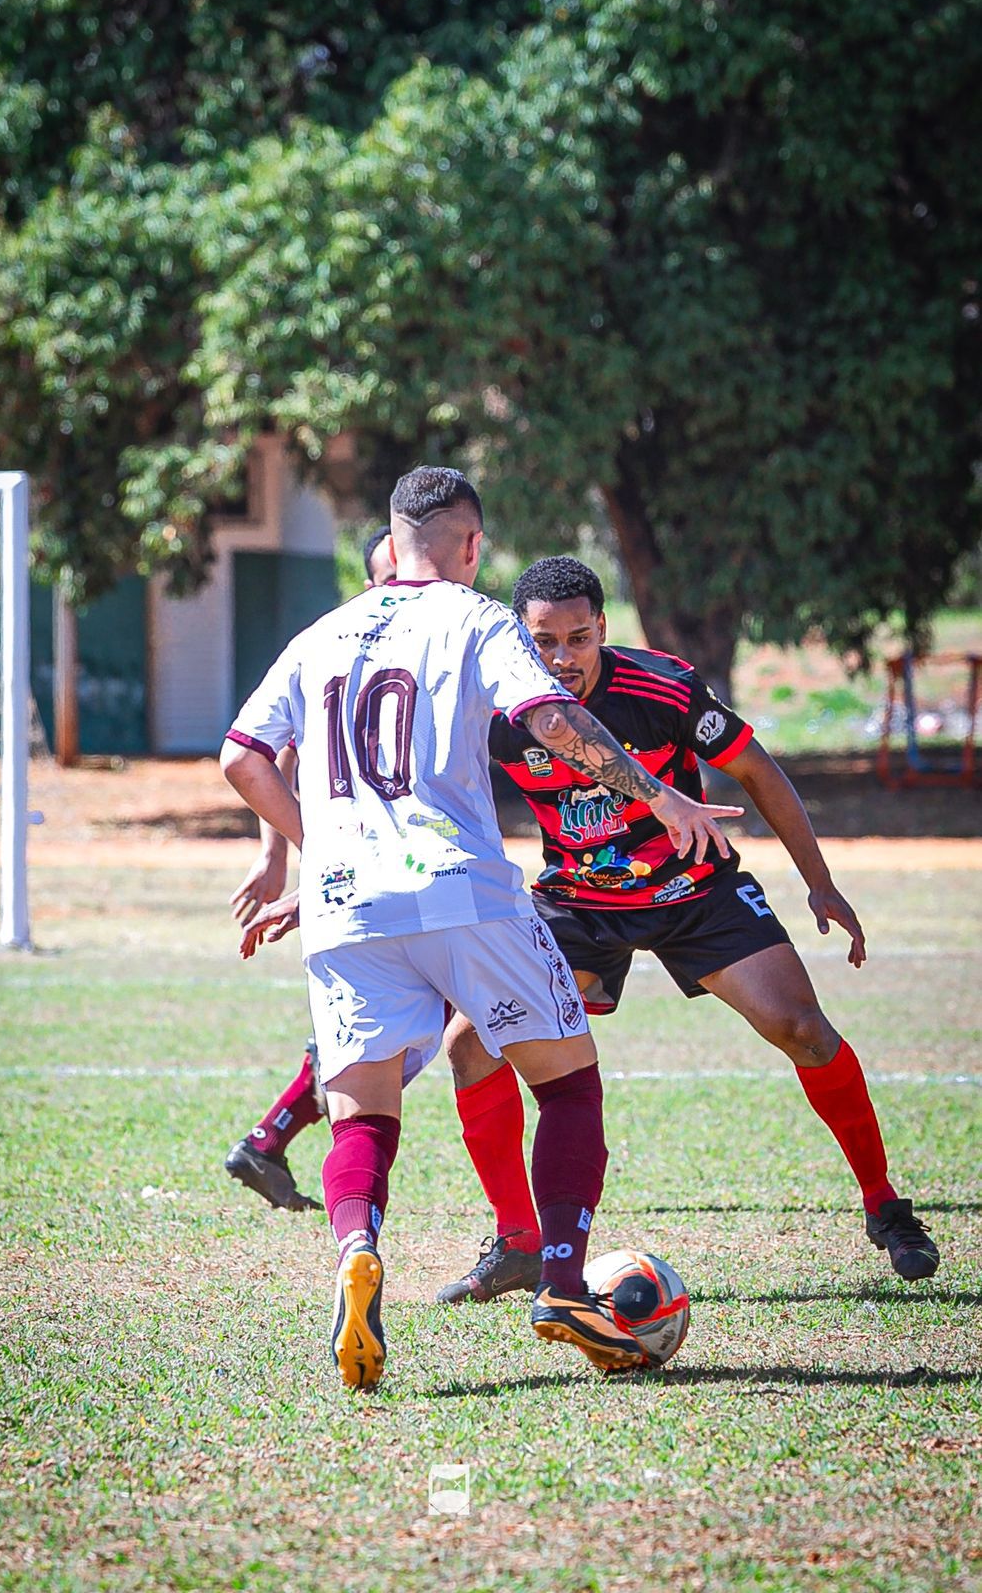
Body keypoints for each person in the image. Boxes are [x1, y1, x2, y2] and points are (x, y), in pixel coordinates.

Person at [219, 468, 742, 1389]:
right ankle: (563, 1284)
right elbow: (548, 717)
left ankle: (357, 1249)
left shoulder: (319, 633)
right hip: (462, 891)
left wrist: (320, 848)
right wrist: (660, 796)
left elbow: (242, 757)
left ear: (390, 541)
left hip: (346, 904)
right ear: (470, 545)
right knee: (568, 1087)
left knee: (362, 1113)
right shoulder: (475, 617)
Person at [434, 555, 940, 1306]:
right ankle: (518, 1241)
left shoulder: (660, 687)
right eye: (544, 641)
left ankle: (885, 1205)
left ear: (603, 627)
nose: (562, 657)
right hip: (578, 905)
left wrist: (821, 883)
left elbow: (760, 772)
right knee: (471, 1044)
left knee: (803, 1029)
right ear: (520, 636)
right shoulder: (495, 709)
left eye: (578, 637)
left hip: (696, 891)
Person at [223, 526, 395, 1211]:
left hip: (406, 866)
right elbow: (272, 752)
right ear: (369, 586)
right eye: (391, 579)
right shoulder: (338, 651)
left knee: (401, 1024)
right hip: (367, 872)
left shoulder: (446, 643)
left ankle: (268, 1140)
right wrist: (280, 852)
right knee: (396, 1029)